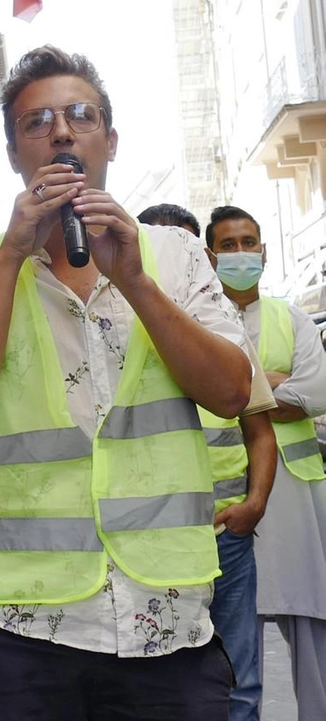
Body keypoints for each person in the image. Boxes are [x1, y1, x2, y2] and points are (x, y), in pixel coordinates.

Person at [0, 47, 251, 720]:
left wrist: (134, 281)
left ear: (111, 138)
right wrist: (14, 253)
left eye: (81, 115)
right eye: (37, 121)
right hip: (22, 626)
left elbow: (232, 392)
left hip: (165, 619)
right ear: (15, 152)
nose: (63, 131)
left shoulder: (174, 256)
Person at [140, 203, 279, 721]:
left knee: (240, 680)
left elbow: (259, 430)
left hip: (227, 539)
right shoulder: (121, 339)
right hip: (157, 542)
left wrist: (254, 505)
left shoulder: (227, 338)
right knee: (167, 688)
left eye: (187, 249)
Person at [205, 204, 326, 721]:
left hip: (294, 499)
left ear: (264, 251)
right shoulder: (198, 322)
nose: (240, 254)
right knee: (235, 646)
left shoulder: (290, 316)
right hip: (230, 500)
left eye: (248, 243)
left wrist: (238, 393)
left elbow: (317, 392)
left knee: (312, 629)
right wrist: (271, 381)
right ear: (210, 257)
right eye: (228, 246)